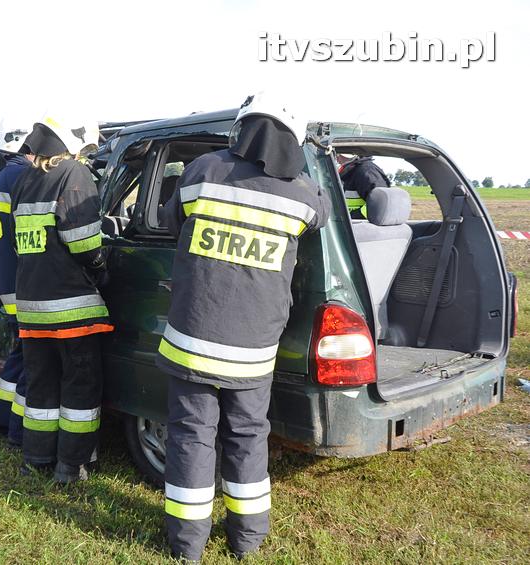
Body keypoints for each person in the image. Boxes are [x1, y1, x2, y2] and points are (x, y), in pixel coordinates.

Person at [157, 93, 330, 561]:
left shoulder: (203, 171)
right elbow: (321, 217)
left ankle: (186, 545)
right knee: (249, 437)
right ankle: (247, 539)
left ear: (243, 127)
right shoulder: (302, 195)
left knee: (191, 436)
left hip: (192, 339)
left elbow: (172, 222)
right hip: (253, 349)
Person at [10, 114, 110, 484]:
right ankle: (71, 466)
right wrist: (100, 265)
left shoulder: (25, 180)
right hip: (71, 310)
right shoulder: (73, 173)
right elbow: (82, 240)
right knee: (79, 389)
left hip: (32, 308)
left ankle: (36, 458)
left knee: (41, 388)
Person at [0, 118, 34, 447]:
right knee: (35, 361)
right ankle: (20, 429)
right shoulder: (24, 177)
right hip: (27, 285)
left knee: (22, 352)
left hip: (8, 285)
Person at [337, 153, 390, 219]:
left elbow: (381, 204)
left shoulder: (366, 171)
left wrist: (353, 216)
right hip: (348, 223)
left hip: (361, 224)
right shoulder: (348, 172)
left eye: (338, 154)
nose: (336, 158)